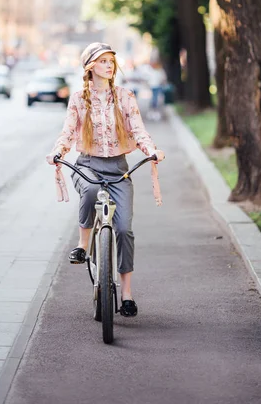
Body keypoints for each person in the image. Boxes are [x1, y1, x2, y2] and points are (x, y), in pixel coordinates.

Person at [46, 42, 165, 318]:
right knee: (88, 192)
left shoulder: (125, 96)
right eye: (102, 61)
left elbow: (139, 130)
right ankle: (83, 245)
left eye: (111, 61)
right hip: (88, 166)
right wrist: (57, 152)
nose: (109, 66)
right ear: (90, 67)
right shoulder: (78, 99)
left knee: (124, 229)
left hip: (119, 169)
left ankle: (126, 295)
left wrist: (152, 151)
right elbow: (67, 133)